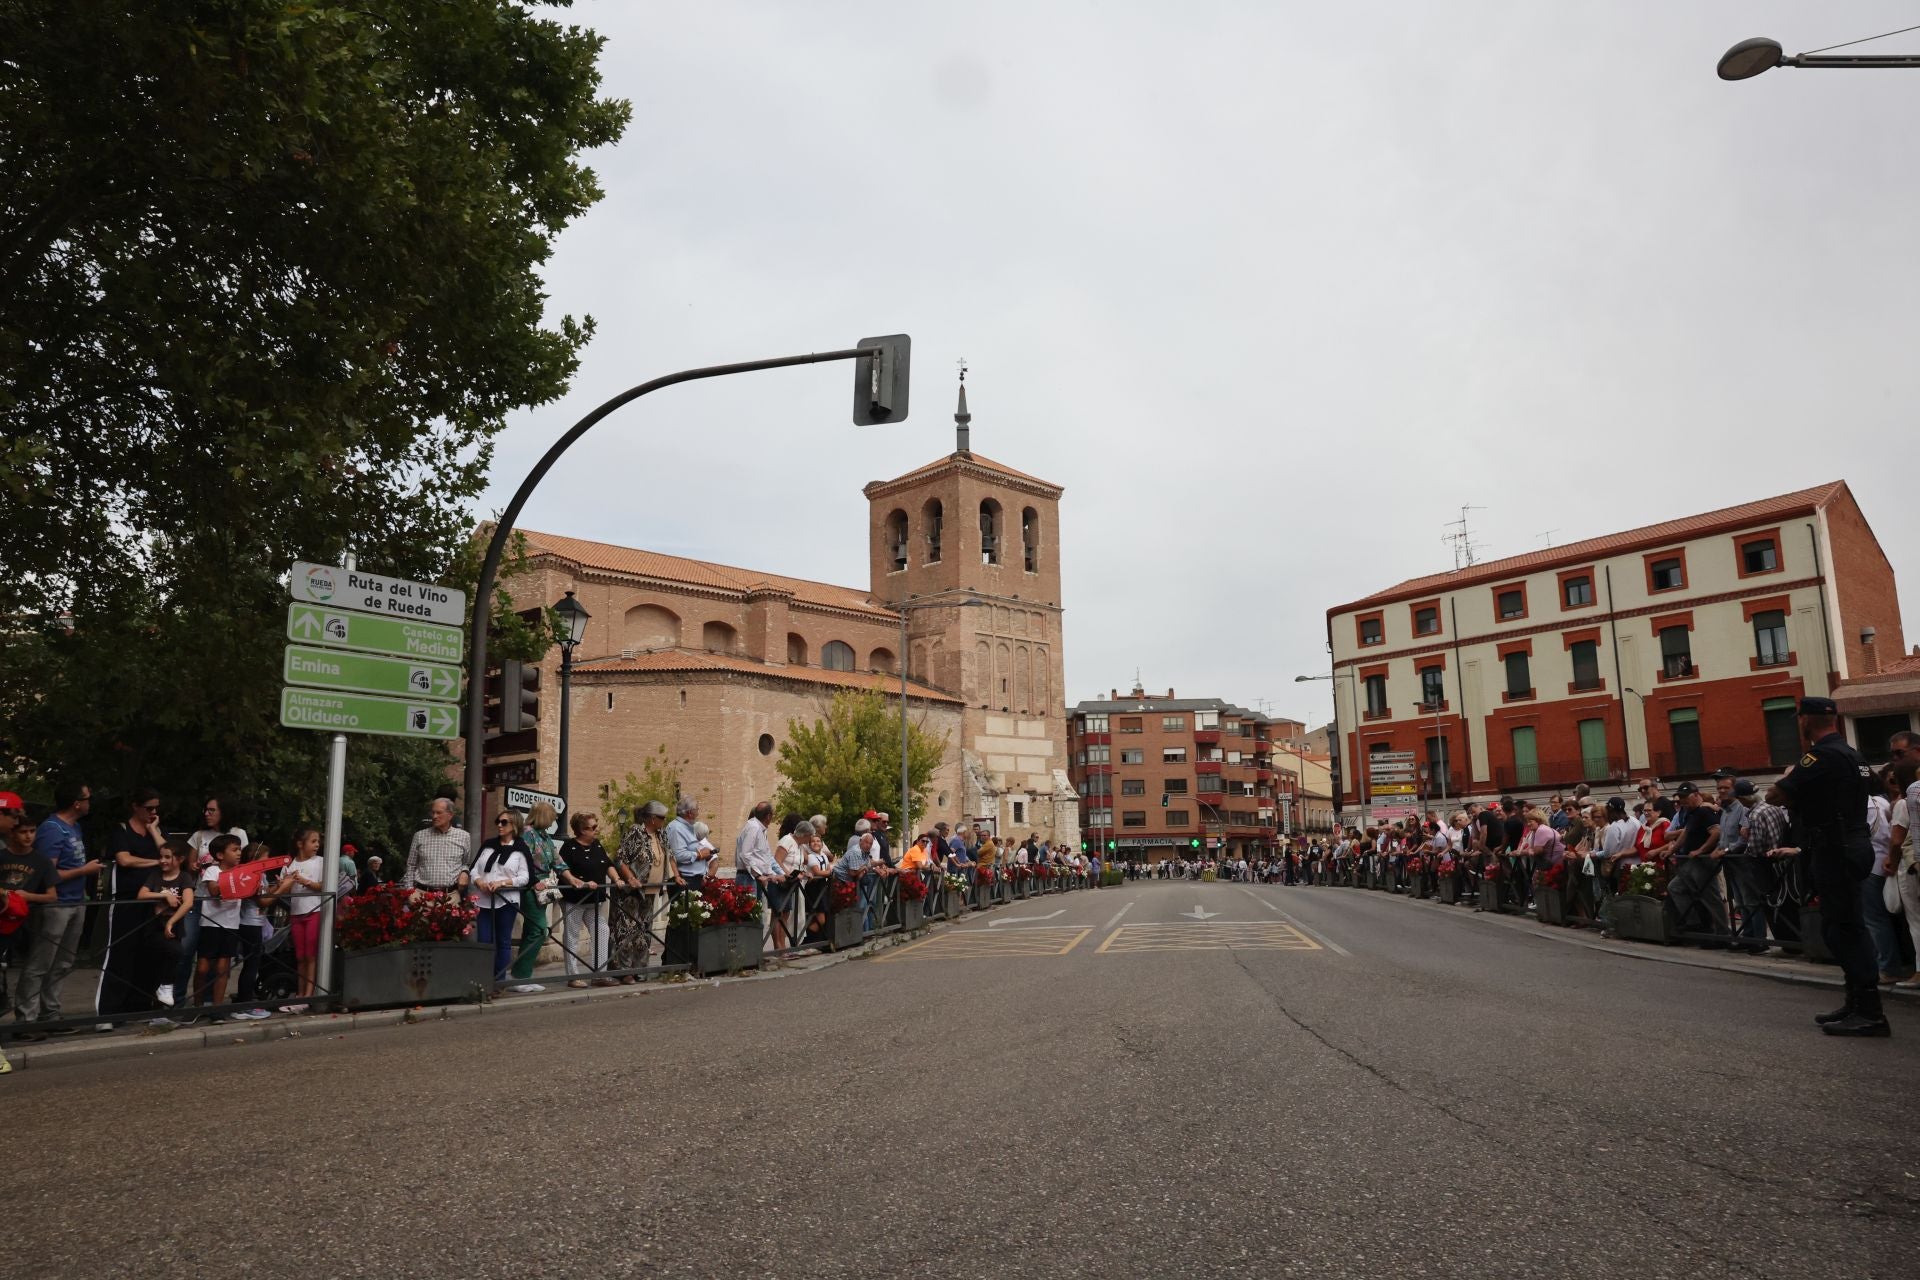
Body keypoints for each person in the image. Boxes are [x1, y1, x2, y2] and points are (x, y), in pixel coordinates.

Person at [1769, 697, 1888, 1036]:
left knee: (1842, 929)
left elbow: (1775, 796)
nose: (1799, 724)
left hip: (1835, 847)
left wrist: (1796, 786)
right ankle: (1857, 1002)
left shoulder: (1819, 756)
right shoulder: (1855, 755)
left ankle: (1870, 1010)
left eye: (1799, 719)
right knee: (1847, 924)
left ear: (1806, 720)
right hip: (1854, 842)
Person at [15, 780, 99, 1036]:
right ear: (76, 803)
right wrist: (84, 871)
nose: (89, 802)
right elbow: (47, 873)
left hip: (75, 901)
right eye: (86, 798)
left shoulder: (74, 828)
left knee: (63, 962)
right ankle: (26, 1020)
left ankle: (50, 1013)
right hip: (56, 904)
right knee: (41, 961)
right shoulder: (52, 829)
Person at [98, 787, 166, 1023]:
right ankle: (107, 1011)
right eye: (149, 808)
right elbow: (124, 859)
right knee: (120, 954)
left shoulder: (152, 830)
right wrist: (155, 862)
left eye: (156, 808)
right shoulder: (121, 830)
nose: (153, 812)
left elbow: (169, 856)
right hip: (126, 899)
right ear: (135, 806)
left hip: (151, 899)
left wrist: (154, 831)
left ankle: (137, 1006)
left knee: (147, 954)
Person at [0, 804, 58, 1020]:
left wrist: (27, 896)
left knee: (32, 968)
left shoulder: (41, 860)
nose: (28, 836)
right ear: (12, 832)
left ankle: (25, 1018)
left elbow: (52, 895)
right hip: (3, 920)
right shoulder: (2, 856)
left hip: (28, 921)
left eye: (32, 831)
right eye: (23, 831)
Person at [509, 802, 564, 995]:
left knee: (532, 930)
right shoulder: (527, 834)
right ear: (543, 815)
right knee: (540, 930)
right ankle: (519, 976)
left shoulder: (544, 836)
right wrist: (533, 882)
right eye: (552, 816)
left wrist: (573, 879)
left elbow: (558, 862)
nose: (554, 819)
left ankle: (524, 975)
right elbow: (523, 862)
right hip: (530, 889)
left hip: (544, 888)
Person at [137, 840, 195, 1023]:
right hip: (154, 927)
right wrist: (164, 895)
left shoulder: (184, 877)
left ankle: (162, 1011)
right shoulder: (155, 876)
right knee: (166, 957)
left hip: (174, 927)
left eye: (167, 857)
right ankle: (163, 992)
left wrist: (171, 921)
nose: (163, 861)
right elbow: (142, 894)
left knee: (170, 961)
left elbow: (188, 902)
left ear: (179, 859)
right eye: (161, 857)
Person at [611, 802, 667, 981]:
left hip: (650, 891)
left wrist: (676, 876)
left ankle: (639, 970)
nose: (664, 821)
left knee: (643, 932)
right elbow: (620, 858)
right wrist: (630, 878)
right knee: (627, 930)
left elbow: (669, 856)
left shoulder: (661, 834)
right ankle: (624, 971)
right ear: (652, 818)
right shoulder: (635, 832)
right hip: (632, 892)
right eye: (662, 818)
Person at [471, 811, 530, 982]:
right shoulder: (488, 845)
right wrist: (479, 880)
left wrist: (503, 883)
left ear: (514, 826)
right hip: (484, 900)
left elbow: (525, 877)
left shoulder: (520, 849)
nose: (499, 825)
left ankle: (498, 980)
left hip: (507, 901)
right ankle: (484, 980)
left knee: (503, 942)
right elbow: (474, 868)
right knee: (484, 941)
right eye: (498, 821)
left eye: (504, 822)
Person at [558, 810, 614, 988]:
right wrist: (581, 883)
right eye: (593, 827)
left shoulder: (597, 845)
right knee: (572, 935)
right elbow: (563, 870)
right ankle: (573, 976)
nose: (596, 830)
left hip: (594, 900)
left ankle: (599, 973)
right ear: (582, 830)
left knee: (602, 930)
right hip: (575, 899)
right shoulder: (569, 847)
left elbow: (608, 864)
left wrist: (618, 879)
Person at [194, 834, 246, 1021]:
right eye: (234, 850)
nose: (239, 853)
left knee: (223, 968)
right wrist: (235, 880)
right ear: (220, 855)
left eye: (239, 849)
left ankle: (217, 1009)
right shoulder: (212, 871)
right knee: (202, 967)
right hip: (210, 923)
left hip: (231, 924)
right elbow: (214, 891)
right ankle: (197, 1006)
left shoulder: (242, 871)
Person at [274, 828, 326, 1013]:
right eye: (313, 841)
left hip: (314, 911)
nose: (317, 845)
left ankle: (308, 994)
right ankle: (299, 993)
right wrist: (282, 884)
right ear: (300, 844)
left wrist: (305, 881)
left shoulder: (320, 862)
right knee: (300, 956)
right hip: (297, 913)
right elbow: (285, 890)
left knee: (310, 956)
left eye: (318, 841)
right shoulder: (290, 863)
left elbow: (324, 885)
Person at [1886, 758, 1920, 988]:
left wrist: (1890, 861)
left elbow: (1897, 841)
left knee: (1916, 921)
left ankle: (1919, 972)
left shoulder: (1903, 803)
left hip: (1909, 869)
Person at [402, 798, 471, 895]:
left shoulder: (464, 836)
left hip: (451, 897)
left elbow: (466, 863)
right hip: (422, 895)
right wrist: (410, 891)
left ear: (450, 815)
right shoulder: (419, 836)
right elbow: (411, 865)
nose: (434, 816)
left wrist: (465, 872)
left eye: (439, 813)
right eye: (433, 812)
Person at [665, 796, 708, 892]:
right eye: (697, 809)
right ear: (689, 813)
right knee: (684, 907)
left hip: (693, 880)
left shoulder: (688, 827)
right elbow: (678, 855)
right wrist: (699, 855)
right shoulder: (676, 828)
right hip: (684, 880)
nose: (698, 812)